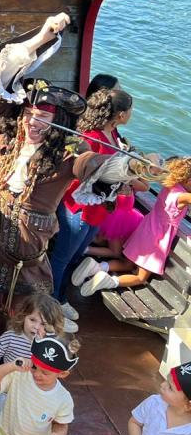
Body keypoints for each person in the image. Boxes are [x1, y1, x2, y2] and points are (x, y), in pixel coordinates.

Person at [0, 13, 140, 339]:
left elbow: (92, 165)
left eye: (43, 117)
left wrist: (130, 167)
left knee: (22, 330)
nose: (33, 122)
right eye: (30, 113)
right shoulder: (9, 132)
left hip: (26, 263)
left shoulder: (67, 154)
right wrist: (41, 37)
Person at [48, 88, 137, 325]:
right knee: (62, 258)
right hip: (79, 209)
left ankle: (61, 297)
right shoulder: (91, 138)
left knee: (76, 255)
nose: (131, 114)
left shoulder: (114, 135)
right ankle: (54, 303)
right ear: (119, 114)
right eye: (130, 110)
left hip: (98, 210)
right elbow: (79, 174)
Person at [75, 156, 191, 295]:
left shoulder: (170, 185)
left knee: (127, 264)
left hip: (145, 228)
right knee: (140, 277)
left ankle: (96, 267)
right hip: (158, 237)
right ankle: (109, 281)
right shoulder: (183, 196)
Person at [0, 293, 63, 430]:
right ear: (23, 316)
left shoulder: (49, 347)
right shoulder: (10, 337)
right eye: (32, 320)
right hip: (6, 393)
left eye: (43, 324)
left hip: (32, 398)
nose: (36, 327)